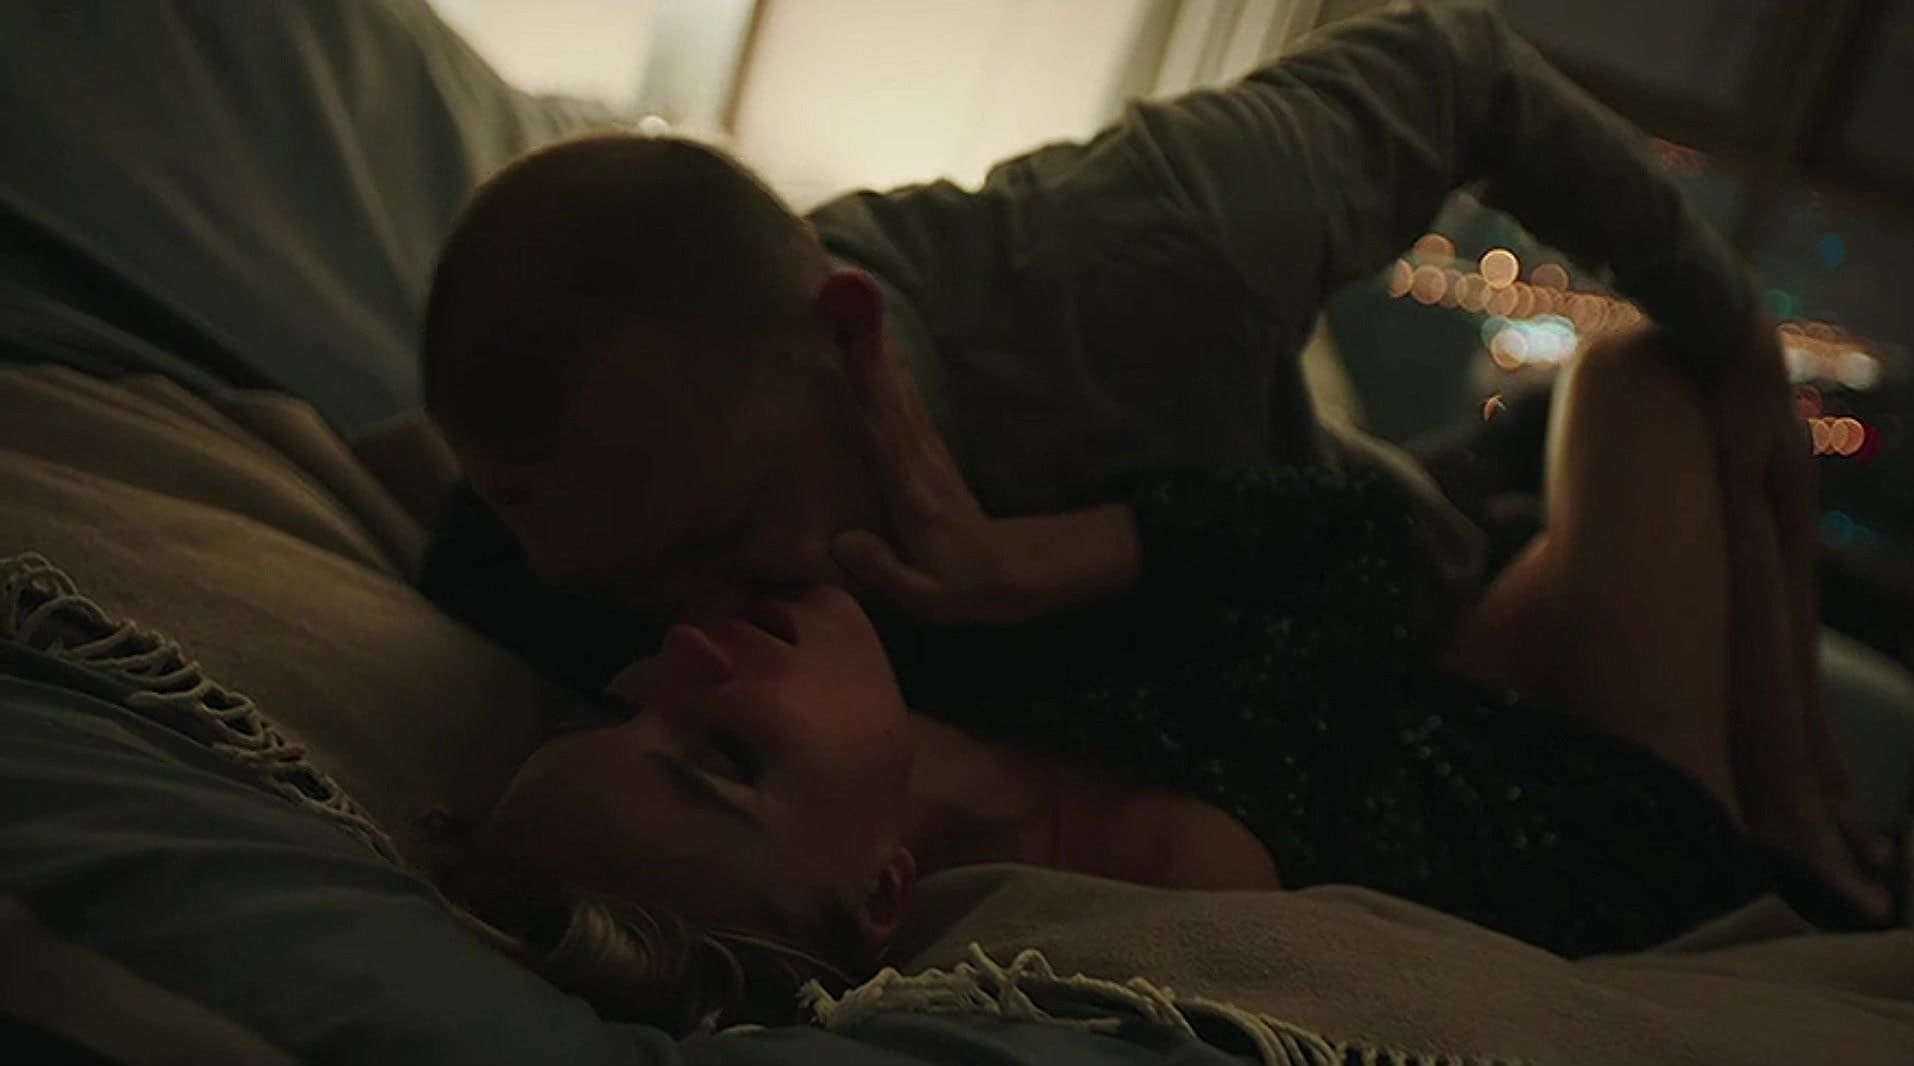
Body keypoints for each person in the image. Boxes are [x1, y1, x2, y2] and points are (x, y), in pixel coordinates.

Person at [418, 1, 1891, 925]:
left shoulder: (1144, 255)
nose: (687, 629)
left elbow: (1458, 68)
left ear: (849, 344)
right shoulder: (628, 556)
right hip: (1371, 691)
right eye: (621, 589)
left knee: (1658, 371)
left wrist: (1745, 351)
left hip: (1412, 591)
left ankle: (1785, 783)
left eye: (726, 530)